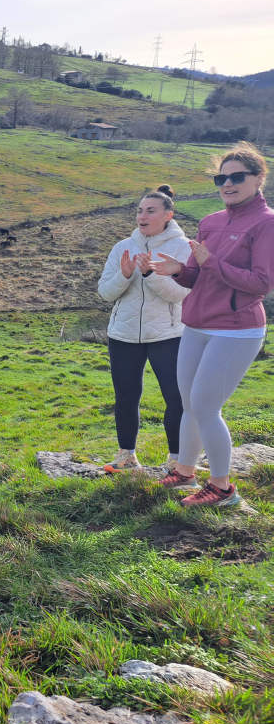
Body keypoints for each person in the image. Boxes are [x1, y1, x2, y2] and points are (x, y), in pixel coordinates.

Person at [151, 142, 274, 507]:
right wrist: (179, 271)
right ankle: (185, 472)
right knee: (189, 403)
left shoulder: (267, 223)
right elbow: (195, 277)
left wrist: (211, 263)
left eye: (238, 177)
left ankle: (222, 489)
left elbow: (261, 284)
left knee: (205, 406)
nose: (228, 184)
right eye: (222, 177)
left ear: (259, 179)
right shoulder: (211, 221)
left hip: (236, 328)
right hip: (197, 323)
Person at [96, 185, 191, 473]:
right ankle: (126, 456)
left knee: (175, 397)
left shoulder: (182, 247)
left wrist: (150, 274)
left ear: (168, 215)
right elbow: (105, 292)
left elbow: (180, 294)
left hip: (168, 335)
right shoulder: (122, 246)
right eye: (139, 210)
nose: (142, 215)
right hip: (123, 335)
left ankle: (177, 460)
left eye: (150, 210)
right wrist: (125, 276)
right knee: (125, 396)